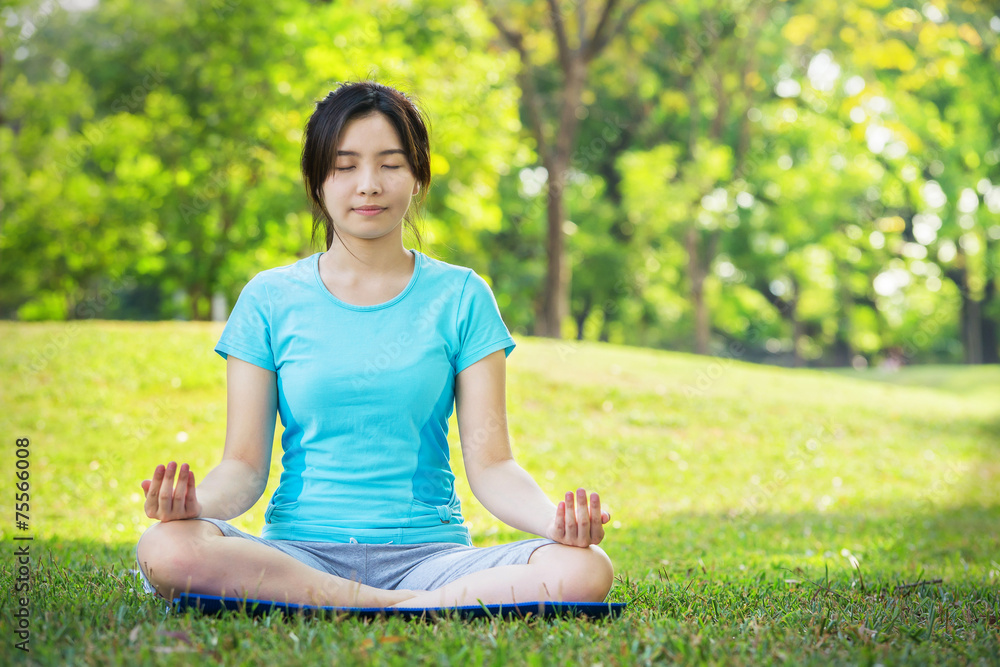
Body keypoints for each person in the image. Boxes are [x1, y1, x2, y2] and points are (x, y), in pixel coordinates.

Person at [135, 81, 613, 609]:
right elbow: (245, 467)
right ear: (317, 180)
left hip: (431, 560)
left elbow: (493, 464)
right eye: (344, 166)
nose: (368, 185)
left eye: (390, 164)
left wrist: (554, 522)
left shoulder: (461, 296)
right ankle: (392, 606)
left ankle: (365, 601)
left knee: (584, 568)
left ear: (417, 177)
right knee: (168, 546)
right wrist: (197, 506)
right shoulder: (269, 298)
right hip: (299, 555)